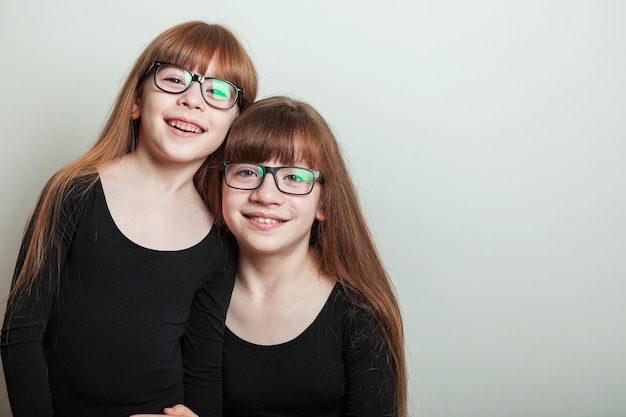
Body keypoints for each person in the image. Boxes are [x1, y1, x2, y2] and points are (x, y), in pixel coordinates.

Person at [0, 21, 258, 417]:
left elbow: (203, 365)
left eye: (218, 91)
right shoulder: (73, 191)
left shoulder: (219, 237)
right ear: (137, 102)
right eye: (174, 80)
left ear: (233, 127)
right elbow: (22, 329)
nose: (193, 100)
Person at [137, 96, 408, 417]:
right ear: (219, 185)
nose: (266, 195)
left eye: (294, 178)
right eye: (247, 172)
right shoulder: (189, 294)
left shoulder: (360, 313)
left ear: (324, 204)